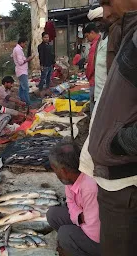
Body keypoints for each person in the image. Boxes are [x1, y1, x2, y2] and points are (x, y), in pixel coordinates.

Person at [80, 1, 137, 255]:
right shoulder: (127, 30)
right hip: (116, 177)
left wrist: (114, 143)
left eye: (107, 2)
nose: (106, 12)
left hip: (124, 180)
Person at [47, 142, 101, 256]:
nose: (55, 173)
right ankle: (74, 243)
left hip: (101, 240)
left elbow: (95, 233)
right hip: (84, 220)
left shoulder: (90, 187)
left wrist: (76, 226)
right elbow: (70, 202)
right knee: (52, 214)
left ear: (63, 171)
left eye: (55, 169)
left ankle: (80, 248)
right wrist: (79, 217)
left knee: (65, 235)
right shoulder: (70, 179)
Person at [83, 24, 100, 113]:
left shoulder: (94, 46)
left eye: (87, 36)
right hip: (99, 78)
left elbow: (91, 65)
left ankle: (93, 124)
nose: (87, 39)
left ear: (92, 33)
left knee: (94, 102)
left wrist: (88, 76)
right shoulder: (101, 41)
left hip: (95, 79)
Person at [12, 37, 34, 105]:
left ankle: (22, 101)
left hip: (21, 70)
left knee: (22, 88)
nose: (25, 45)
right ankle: (28, 103)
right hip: (22, 71)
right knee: (26, 88)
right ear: (21, 43)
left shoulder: (17, 49)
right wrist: (29, 59)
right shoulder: (18, 50)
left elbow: (12, 56)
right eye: (25, 44)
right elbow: (20, 62)